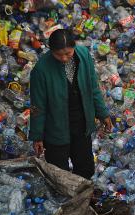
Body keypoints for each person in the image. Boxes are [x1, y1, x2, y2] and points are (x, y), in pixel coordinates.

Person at [29, 29, 112, 181]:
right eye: (59, 54)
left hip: (81, 122)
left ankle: (84, 197)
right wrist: (37, 136)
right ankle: (65, 200)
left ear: (74, 47)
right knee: (59, 173)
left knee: (85, 167)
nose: (64, 58)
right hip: (56, 126)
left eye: (68, 53)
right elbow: (37, 106)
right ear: (51, 51)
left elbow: (93, 86)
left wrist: (103, 113)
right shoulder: (41, 70)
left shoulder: (83, 55)